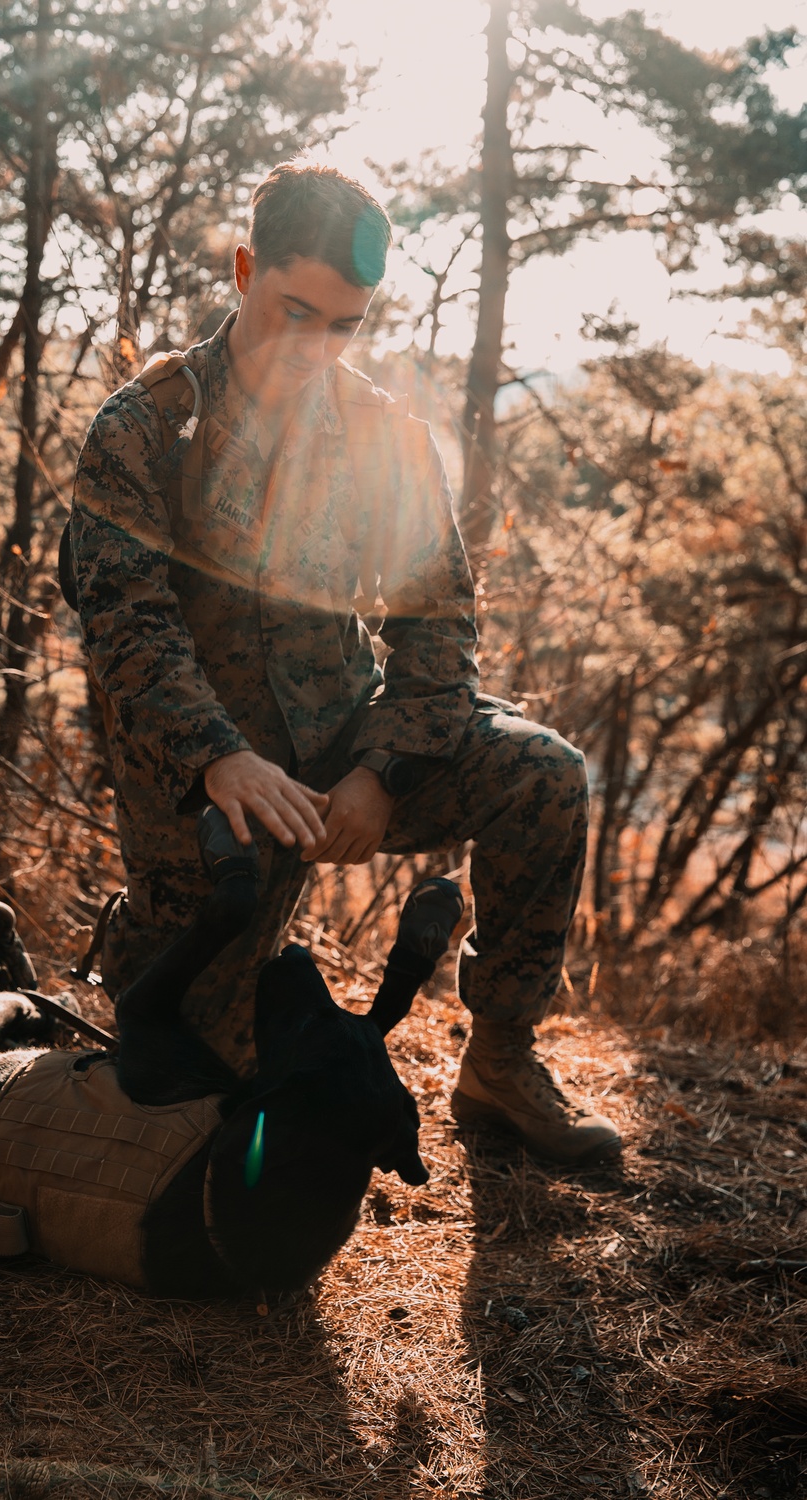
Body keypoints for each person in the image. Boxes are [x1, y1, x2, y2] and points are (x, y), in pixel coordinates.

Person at [69, 159, 621, 1165]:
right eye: (294, 311)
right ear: (243, 269)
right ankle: (154, 949)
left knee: (545, 777)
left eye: (342, 324)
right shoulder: (145, 429)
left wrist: (383, 769)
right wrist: (220, 759)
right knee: (196, 1094)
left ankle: (499, 1062)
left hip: (348, 748)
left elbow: (439, 615)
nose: (314, 346)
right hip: (214, 788)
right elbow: (125, 626)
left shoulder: (377, 431)